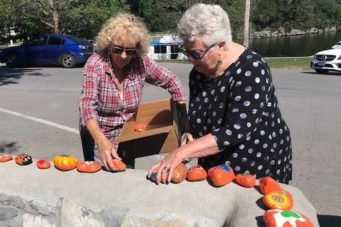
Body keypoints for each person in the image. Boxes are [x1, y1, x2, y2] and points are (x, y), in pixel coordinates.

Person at [148, 4, 292, 184]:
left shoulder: (252, 69)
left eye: (196, 53)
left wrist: (181, 152)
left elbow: (236, 130)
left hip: (254, 158)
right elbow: (198, 113)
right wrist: (189, 130)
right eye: (187, 52)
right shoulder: (198, 72)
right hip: (213, 155)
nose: (190, 59)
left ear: (221, 45)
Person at [79, 13, 187, 171]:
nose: (123, 56)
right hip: (98, 138)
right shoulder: (95, 65)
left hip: (128, 138)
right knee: (103, 185)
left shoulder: (141, 63)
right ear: (108, 45)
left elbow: (172, 81)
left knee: (126, 177)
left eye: (129, 51)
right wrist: (101, 140)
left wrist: (184, 124)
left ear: (137, 49)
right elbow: (87, 106)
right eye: (117, 49)